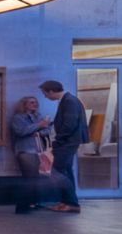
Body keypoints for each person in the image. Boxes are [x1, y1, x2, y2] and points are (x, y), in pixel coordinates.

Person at [41, 79, 87, 212]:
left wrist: (58, 140)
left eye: (45, 94)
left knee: (60, 171)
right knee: (65, 171)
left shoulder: (69, 101)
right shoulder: (67, 100)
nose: (45, 96)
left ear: (51, 91)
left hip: (67, 142)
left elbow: (69, 124)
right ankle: (67, 202)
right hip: (67, 141)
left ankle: (71, 203)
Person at [10, 95, 51, 213]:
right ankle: (23, 205)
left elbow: (47, 130)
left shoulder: (38, 116)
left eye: (36, 102)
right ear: (24, 105)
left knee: (36, 178)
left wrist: (37, 131)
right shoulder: (18, 118)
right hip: (25, 150)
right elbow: (21, 131)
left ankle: (33, 202)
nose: (35, 104)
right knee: (29, 178)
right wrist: (38, 126)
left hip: (38, 150)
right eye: (31, 102)